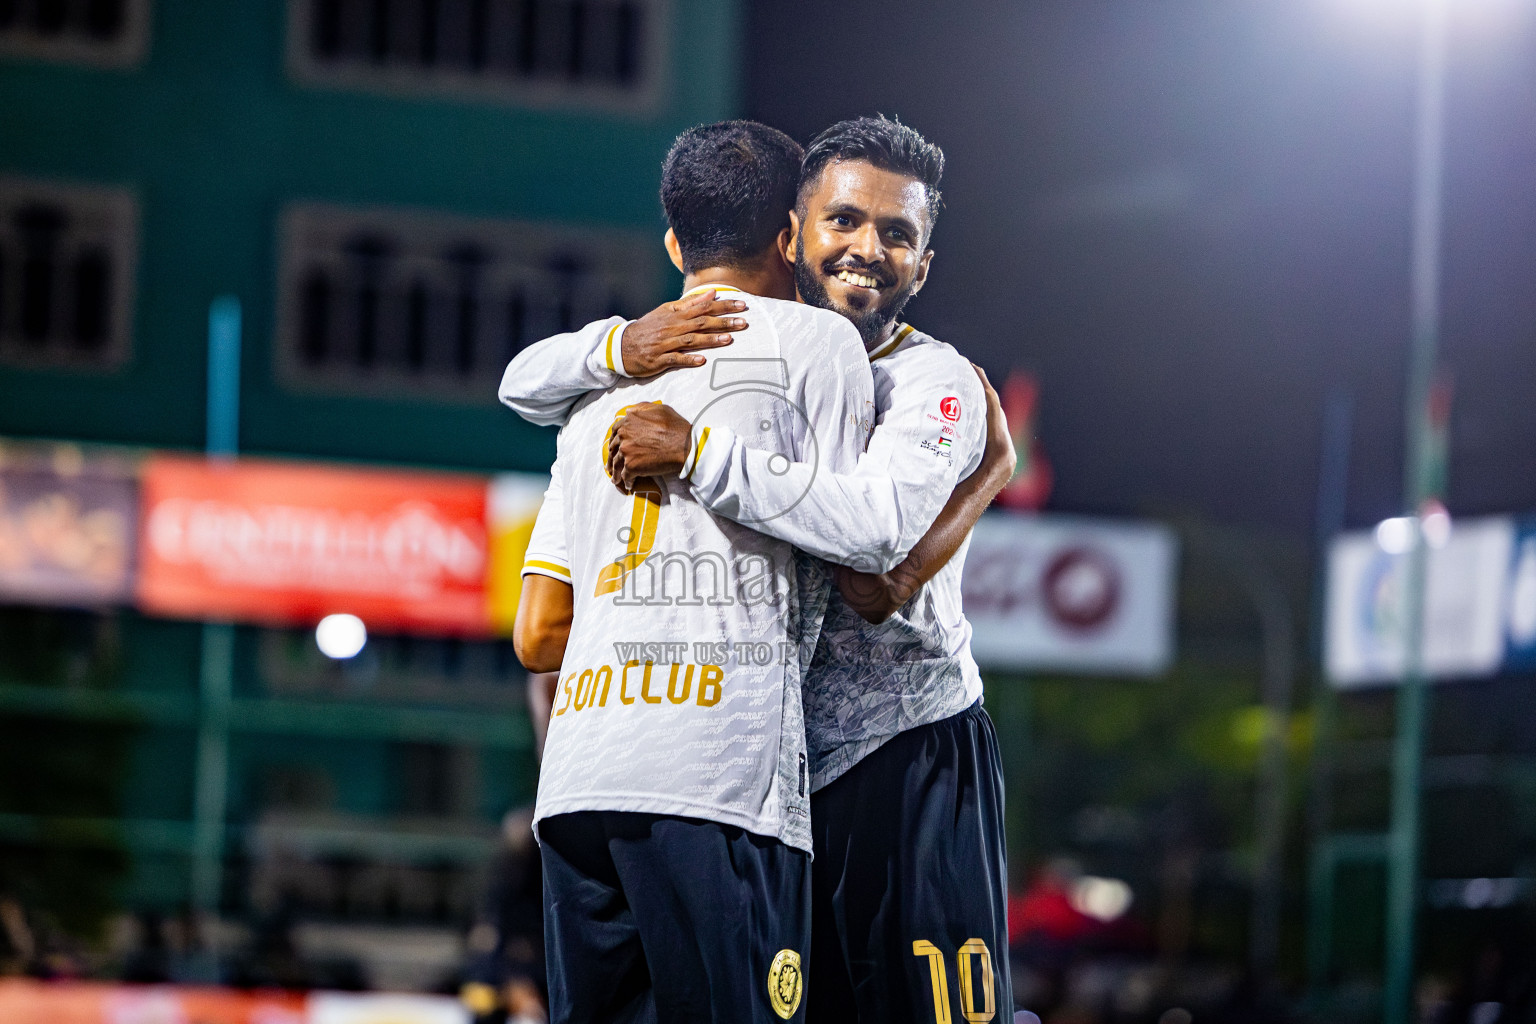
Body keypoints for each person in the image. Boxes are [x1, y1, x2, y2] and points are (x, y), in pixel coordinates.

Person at [501, 116, 1017, 1024]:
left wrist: (694, 450)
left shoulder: (930, 380)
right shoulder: (731, 350)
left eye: (898, 235)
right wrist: (618, 345)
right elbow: (523, 381)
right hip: (774, 773)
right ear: (794, 228)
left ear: (924, 264)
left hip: (904, 751)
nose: (866, 250)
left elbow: (874, 566)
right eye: (845, 222)